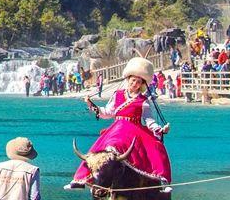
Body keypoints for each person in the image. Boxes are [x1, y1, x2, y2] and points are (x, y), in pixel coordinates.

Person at [69, 57, 172, 187]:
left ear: (142, 85)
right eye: (133, 80)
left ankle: (161, 179)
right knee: (95, 152)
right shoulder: (117, 95)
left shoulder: (143, 101)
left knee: (156, 147)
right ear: (128, 80)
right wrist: (91, 104)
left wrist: (160, 129)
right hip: (116, 129)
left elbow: (149, 120)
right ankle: (81, 179)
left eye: (138, 82)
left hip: (134, 130)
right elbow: (107, 113)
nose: (134, 84)